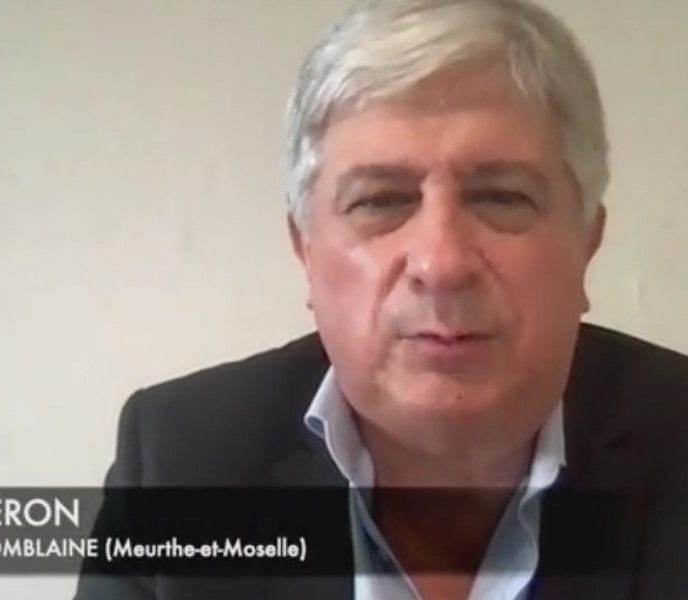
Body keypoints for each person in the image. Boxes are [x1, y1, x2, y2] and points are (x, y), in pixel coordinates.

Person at [74, 0, 688, 598]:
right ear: (306, 250)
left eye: (502, 197)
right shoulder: (181, 460)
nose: (441, 264)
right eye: (380, 201)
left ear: (586, 242)